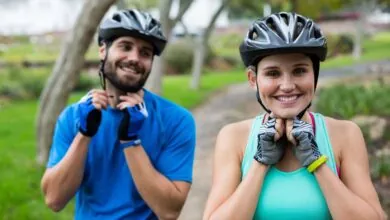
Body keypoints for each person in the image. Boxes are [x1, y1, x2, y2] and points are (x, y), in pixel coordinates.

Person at [203, 12, 386, 220]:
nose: (288, 86)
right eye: (273, 73)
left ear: (314, 75)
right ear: (253, 79)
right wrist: (260, 163)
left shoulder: (345, 134)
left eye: (299, 71)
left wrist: (317, 163)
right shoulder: (233, 137)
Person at [40, 9, 196, 219]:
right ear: (103, 50)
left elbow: (169, 211)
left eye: (145, 53)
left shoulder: (176, 120)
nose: (134, 58)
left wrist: (130, 140)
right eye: (126, 46)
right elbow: (54, 200)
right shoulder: (73, 116)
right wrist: (84, 134)